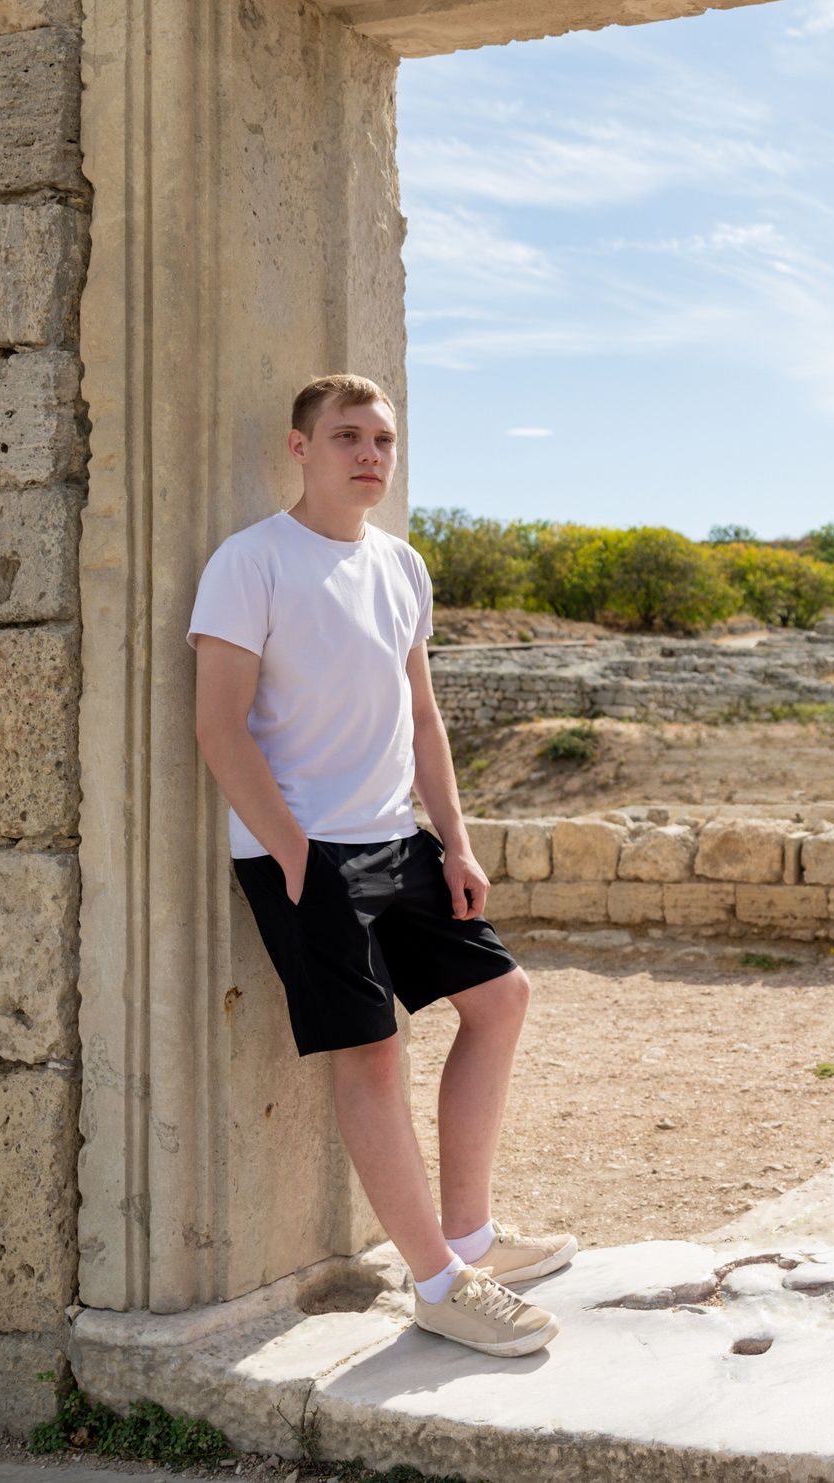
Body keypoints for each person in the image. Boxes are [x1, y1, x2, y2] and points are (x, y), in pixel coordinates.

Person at [188, 373, 575, 1358]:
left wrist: (455, 840)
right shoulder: (251, 563)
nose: (369, 454)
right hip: (306, 851)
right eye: (348, 436)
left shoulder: (401, 567)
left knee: (502, 999)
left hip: (395, 840)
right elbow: (218, 724)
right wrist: (292, 853)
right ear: (300, 448)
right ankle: (440, 1286)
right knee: (370, 1054)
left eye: (383, 440)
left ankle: (471, 1234)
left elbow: (422, 713)